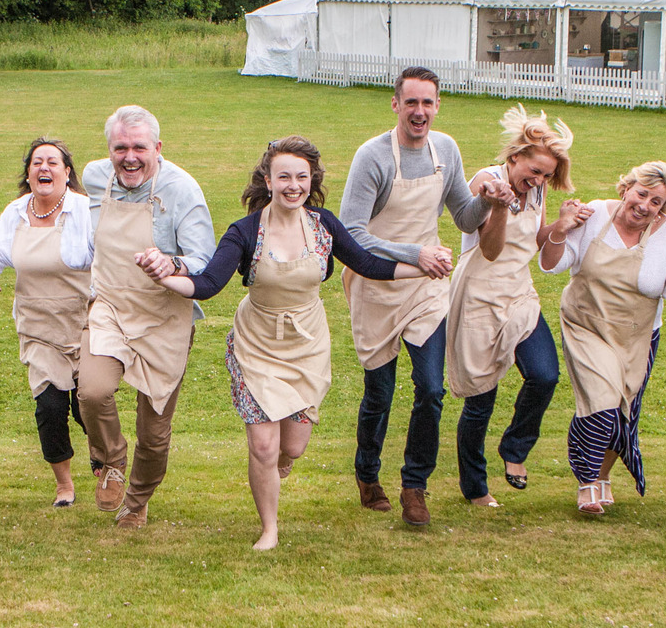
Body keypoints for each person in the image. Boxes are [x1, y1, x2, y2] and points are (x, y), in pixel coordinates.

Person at [140, 136, 417, 549]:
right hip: (256, 345)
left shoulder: (324, 226)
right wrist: (164, 276)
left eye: (301, 177)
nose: (293, 185)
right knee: (264, 445)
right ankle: (269, 528)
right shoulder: (246, 231)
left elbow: (367, 263)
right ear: (267, 181)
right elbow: (209, 283)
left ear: (312, 181)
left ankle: (281, 462)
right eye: (283, 176)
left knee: (293, 446)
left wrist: (422, 268)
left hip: (306, 345)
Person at [337, 67, 491, 528]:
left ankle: (414, 486)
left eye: (428, 103)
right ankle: (368, 475)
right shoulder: (373, 157)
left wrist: (491, 200)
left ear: (438, 105)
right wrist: (415, 252)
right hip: (376, 285)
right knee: (379, 394)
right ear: (396, 105)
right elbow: (352, 233)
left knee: (431, 388)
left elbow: (465, 218)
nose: (419, 112)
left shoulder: (446, 150)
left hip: (426, 289)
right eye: (411, 103)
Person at [549, 160, 666, 515]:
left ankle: (603, 475)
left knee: (623, 408)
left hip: (639, 335)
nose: (644, 205)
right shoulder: (594, 213)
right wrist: (561, 228)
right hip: (587, 326)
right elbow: (555, 263)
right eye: (641, 194)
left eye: (656, 201)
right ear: (626, 189)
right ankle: (587, 481)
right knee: (602, 398)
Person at [78, 105, 216, 530]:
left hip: (164, 317)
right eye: (121, 147)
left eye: (140, 147)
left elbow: (204, 259)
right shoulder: (95, 177)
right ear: (109, 149)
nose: (130, 157)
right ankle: (113, 459)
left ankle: (136, 501)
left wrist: (171, 264)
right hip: (111, 307)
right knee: (92, 392)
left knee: (154, 432)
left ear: (158, 147)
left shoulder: (182, 190)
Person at [445, 106, 574, 509]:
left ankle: (515, 448)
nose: (538, 181)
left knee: (545, 374)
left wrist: (562, 226)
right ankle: (475, 487)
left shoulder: (537, 191)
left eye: (546, 175)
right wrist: (498, 206)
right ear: (514, 157)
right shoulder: (488, 180)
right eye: (534, 171)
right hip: (478, 296)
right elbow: (490, 248)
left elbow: (534, 241)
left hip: (519, 293)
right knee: (481, 397)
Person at [0, 138, 99, 507]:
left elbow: (108, 259)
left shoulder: (85, 210)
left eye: (53, 162)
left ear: (66, 172)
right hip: (38, 329)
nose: (44, 168)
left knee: (88, 403)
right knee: (51, 408)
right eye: (37, 162)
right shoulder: (16, 212)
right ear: (28, 173)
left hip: (86, 324)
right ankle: (64, 486)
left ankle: (105, 461)